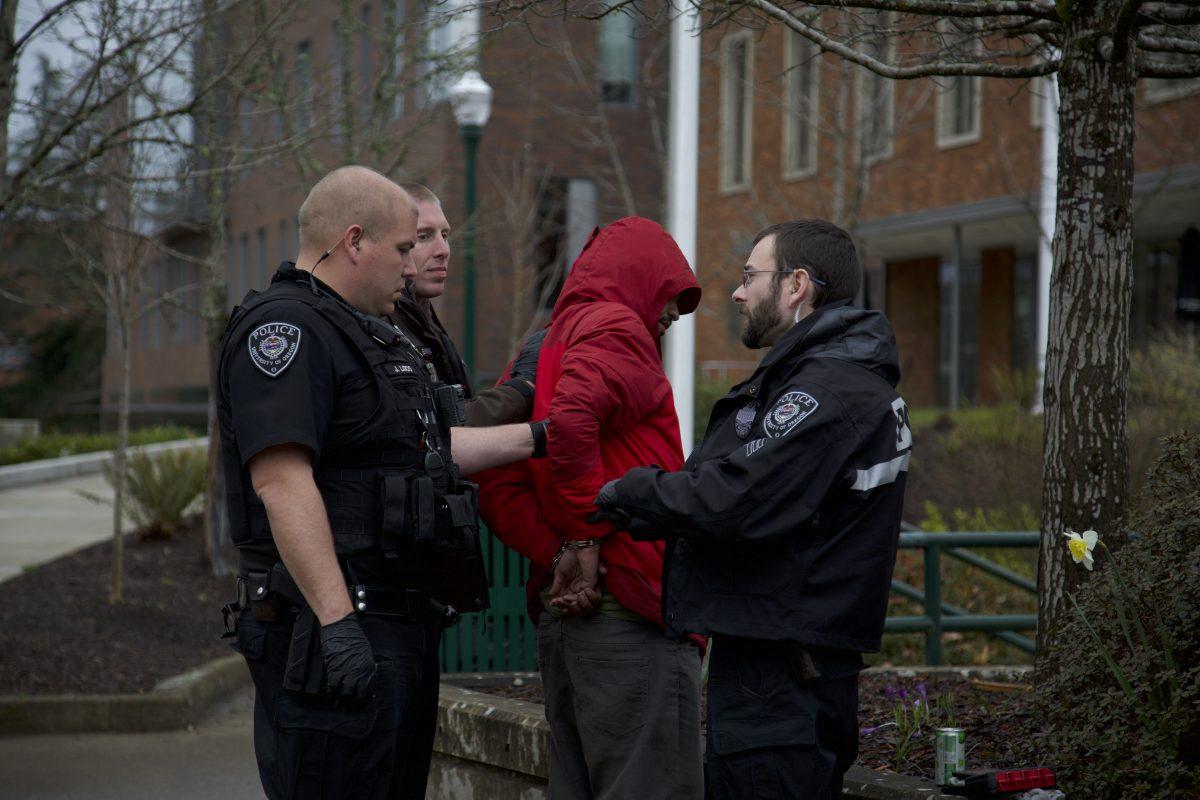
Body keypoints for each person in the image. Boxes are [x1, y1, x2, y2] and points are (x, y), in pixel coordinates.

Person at [216, 166, 546, 800]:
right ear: (354, 241)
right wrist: (339, 624)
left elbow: (421, 455)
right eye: (403, 247)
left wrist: (539, 433)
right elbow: (283, 483)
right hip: (331, 632)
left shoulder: (370, 333)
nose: (411, 265)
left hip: (394, 625)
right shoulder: (287, 329)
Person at [590, 219, 912, 799]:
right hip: (800, 661)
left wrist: (627, 492)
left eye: (749, 276)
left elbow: (735, 497)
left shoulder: (824, 393)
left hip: (780, 672)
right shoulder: (837, 382)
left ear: (796, 286)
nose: (738, 294)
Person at [475, 217, 705, 800]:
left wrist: (558, 554)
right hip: (631, 616)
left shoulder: (545, 342)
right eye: (667, 304)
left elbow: (496, 477)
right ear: (641, 281)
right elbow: (573, 422)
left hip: (572, 621)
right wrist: (585, 535)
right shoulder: (617, 327)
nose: (668, 320)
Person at [392, 182, 543, 426]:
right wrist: (523, 388)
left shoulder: (423, 320)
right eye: (423, 236)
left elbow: (460, 412)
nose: (443, 250)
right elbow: (443, 430)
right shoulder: (382, 326)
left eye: (445, 235)